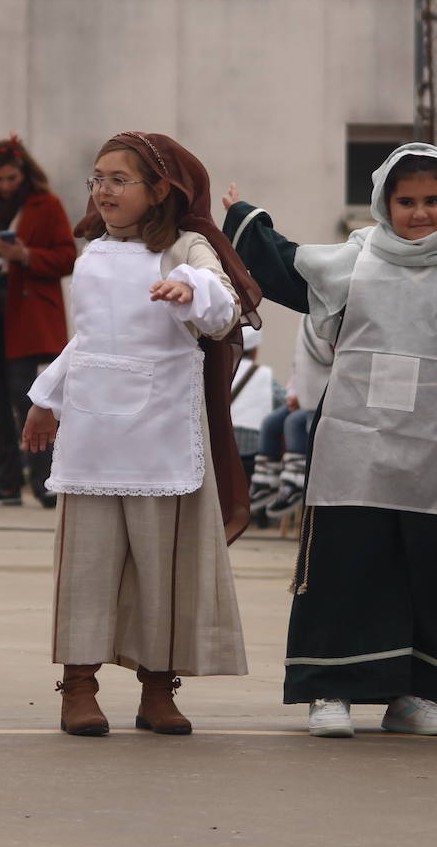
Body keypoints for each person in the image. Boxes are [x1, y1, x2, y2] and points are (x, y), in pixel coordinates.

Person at [224, 143, 437, 738]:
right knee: (349, 564)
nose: (419, 213)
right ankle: (329, 690)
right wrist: (248, 223)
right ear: (383, 204)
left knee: (432, 572)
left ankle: (413, 694)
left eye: (432, 201)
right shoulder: (355, 260)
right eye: (405, 201)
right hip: (355, 446)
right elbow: (289, 266)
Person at [23, 131, 262, 737]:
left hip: (161, 433)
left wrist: (191, 291)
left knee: (163, 570)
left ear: (160, 190)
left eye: (117, 179)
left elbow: (224, 304)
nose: (102, 190)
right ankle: (78, 687)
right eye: (96, 178)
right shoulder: (94, 252)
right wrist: (46, 399)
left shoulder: (187, 246)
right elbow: (90, 339)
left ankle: (158, 688)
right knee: (88, 566)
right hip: (95, 434)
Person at [0, 134, 76, 508]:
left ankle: (45, 481)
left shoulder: (47, 206)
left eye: (11, 178)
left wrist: (25, 255)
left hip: (30, 321)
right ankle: (5, 484)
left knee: (32, 400)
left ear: (23, 173)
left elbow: (69, 257)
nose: (5, 185)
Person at [249, 320, 331, 520]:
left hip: (321, 399)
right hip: (303, 397)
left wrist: (302, 398)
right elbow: (298, 373)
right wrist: (293, 395)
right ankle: (265, 480)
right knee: (271, 422)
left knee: (293, 422)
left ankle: (295, 480)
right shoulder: (305, 332)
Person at [230, 325, 285, 478]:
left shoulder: (223, 370)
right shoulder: (264, 375)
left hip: (223, 445)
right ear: (255, 350)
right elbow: (283, 402)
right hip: (252, 449)